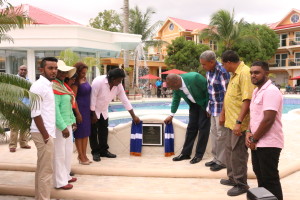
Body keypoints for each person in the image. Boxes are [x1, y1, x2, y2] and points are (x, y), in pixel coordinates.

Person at [246, 61, 283, 200]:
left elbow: (268, 119)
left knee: (270, 179)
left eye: (257, 72)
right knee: (260, 177)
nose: (253, 75)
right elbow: (255, 115)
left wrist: (254, 138)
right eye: (251, 72)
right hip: (257, 142)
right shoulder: (256, 91)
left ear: (266, 73)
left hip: (269, 143)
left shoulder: (271, 91)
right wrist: (249, 132)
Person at [219, 50, 255, 196]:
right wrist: (223, 114)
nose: (222, 67)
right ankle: (233, 178)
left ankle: (241, 184)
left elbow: (247, 99)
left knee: (238, 153)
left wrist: (239, 122)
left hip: (239, 123)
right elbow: (229, 97)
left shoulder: (245, 73)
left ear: (229, 62)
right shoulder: (234, 74)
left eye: (223, 64)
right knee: (229, 151)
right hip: (230, 121)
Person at [90, 68, 140, 162]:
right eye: (119, 80)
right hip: (93, 110)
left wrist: (133, 116)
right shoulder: (98, 81)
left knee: (104, 131)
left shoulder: (118, 85)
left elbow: (124, 100)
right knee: (93, 132)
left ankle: (104, 151)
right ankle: (95, 152)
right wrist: (93, 114)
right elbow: (92, 98)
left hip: (104, 110)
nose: (120, 82)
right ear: (112, 79)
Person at [164, 73, 210, 164]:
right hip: (193, 105)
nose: (171, 89)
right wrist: (171, 115)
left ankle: (199, 155)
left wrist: (209, 107)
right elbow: (176, 100)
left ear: (177, 82)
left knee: (203, 128)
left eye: (171, 86)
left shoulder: (194, 78)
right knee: (191, 128)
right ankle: (185, 154)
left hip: (204, 104)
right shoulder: (176, 87)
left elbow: (208, 90)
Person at [30, 57, 58, 200]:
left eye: (55, 68)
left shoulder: (48, 85)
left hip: (46, 132)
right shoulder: (38, 86)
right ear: (42, 70)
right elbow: (35, 113)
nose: (54, 71)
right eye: (50, 68)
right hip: (42, 133)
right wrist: (46, 135)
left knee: (42, 169)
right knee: (46, 171)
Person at [200, 50, 230, 171]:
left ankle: (222, 161)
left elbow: (227, 93)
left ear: (212, 62)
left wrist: (223, 113)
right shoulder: (209, 71)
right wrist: (208, 108)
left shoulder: (222, 72)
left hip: (221, 108)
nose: (203, 67)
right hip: (212, 107)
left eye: (204, 64)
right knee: (213, 134)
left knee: (222, 135)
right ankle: (216, 158)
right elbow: (210, 90)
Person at [52, 60, 77, 190]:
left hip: (67, 124)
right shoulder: (54, 86)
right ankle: (59, 181)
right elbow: (55, 109)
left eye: (64, 71)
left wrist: (72, 120)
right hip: (59, 125)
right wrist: (62, 127)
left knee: (67, 152)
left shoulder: (63, 86)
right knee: (59, 154)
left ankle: (66, 175)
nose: (63, 73)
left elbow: (68, 105)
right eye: (60, 71)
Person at [71, 62, 92, 165]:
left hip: (87, 110)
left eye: (85, 73)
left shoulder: (84, 79)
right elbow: (73, 99)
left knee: (86, 133)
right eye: (82, 73)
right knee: (79, 134)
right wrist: (77, 113)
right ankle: (80, 155)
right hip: (79, 110)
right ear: (77, 72)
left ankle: (84, 155)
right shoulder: (75, 83)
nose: (84, 75)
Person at [9, 65, 31, 152]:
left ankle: (23, 143)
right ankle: (12, 145)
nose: (23, 71)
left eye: (24, 70)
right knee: (14, 126)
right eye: (21, 69)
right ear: (18, 70)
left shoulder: (28, 81)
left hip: (26, 107)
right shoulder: (13, 80)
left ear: (27, 71)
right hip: (16, 106)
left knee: (24, 126)